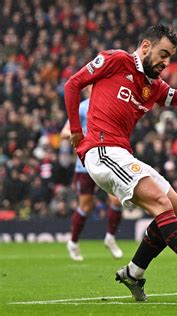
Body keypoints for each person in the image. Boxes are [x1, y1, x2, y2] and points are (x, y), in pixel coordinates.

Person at [64, 24, 177, 301]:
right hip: (101, 150)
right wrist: (75, 130)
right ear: (146, 46)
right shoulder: (115, 60)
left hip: (123, 154)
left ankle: (133, 272)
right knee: (160, 202)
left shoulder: (153, 87)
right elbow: (73, 84)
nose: (166, 63)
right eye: (163, 54)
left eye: (170, 58)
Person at [61, 90, 124, 261]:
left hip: (108, 161)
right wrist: (83, 135)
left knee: (117, 200)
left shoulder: (110, 105)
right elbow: (64, 132)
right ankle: (73, 242)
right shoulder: (82, 108)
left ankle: (110, 237)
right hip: (85, 165)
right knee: (86, 206)